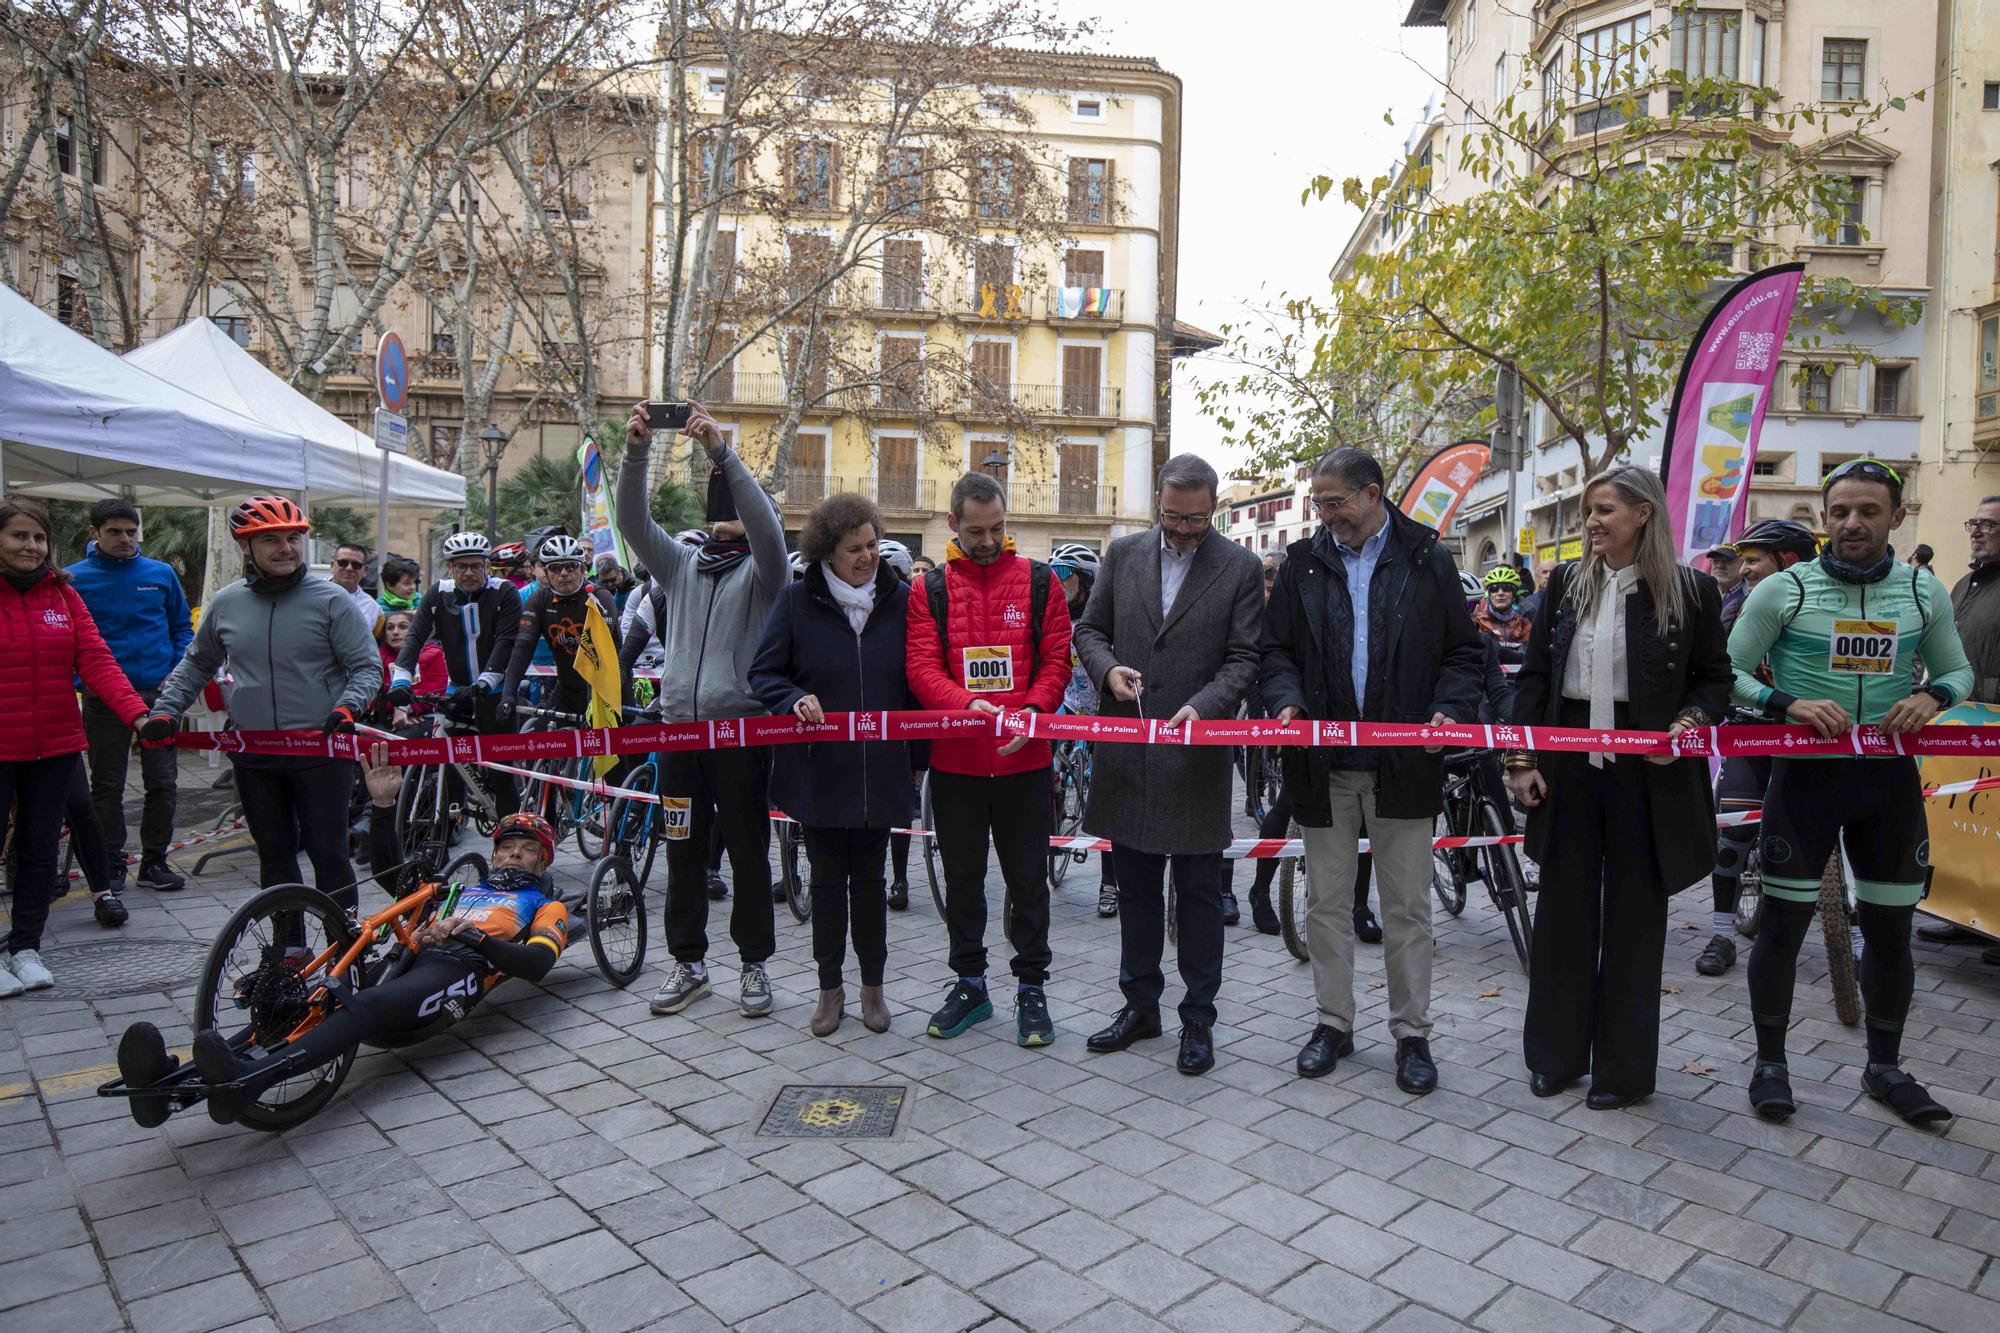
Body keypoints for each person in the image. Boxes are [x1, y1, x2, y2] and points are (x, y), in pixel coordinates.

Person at [114, 743, 570, 1128]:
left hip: (460, 969)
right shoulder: (461, 889)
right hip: (408, 958)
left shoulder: (543, 905)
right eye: (507, 847)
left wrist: (476, 938)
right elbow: (396, 883)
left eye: (527, 851)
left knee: (363, 1006)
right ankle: (165, 1084)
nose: (514, 856)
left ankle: (251, 1079)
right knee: (317, 999)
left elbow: (537, 964)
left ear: (543, 863)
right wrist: (383, 804)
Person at [1726, 458, 1971, 1125]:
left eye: (1867, 511)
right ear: (1823, 518)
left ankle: (1885, 1067)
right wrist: (1789, 702)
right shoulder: (1786, 591)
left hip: (1885, 781)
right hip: (1805, 777)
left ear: (1897, 516)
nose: (1852, 523)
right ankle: (1770, 1062)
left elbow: (1958, 669)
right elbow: (1726, 670)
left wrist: (1930, 695)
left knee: (1893, 932)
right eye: (1839, 512)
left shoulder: (1924, 592)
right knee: (1781, 926)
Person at [1506, 466, 1732, 1110]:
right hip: (1569, 763)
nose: (1592, 522)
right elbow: (1535, 677)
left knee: (1636, 924)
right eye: (1588, 511)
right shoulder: (1565, 586)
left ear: (1644, 515)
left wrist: (1686, 727)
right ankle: (1554, 1059)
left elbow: (1714, 678)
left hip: (1649, 771)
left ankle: (1624, 1074)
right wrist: (1521, 761)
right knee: (1562, 917)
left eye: (1604, 509)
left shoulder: (1689, 591)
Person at [1260, 448, 1483, 1094]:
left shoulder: (1426, 558)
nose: (1326, 516)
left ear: (1372, 494)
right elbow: (1275, 650)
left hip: (1404, 765)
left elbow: (1463, 654)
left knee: (1408, 907)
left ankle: (1412, 1034)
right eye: (1319, 504)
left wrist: (1447, 709)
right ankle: (1332, 1022)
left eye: (1336, 503)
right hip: (1322, 765)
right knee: (1325, 904)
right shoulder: (1302, 564)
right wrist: (1286, 699)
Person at [1075, 455, 1263, 1076]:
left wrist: (1202, 707)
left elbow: (1243, 659)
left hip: (1194, 760)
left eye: (1198, 520)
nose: (1185, 530)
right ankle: (1140, 1006)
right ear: (1158, 503)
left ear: (1214, 510)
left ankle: (1199, 1020)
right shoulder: (1123, 555)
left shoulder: (1237, 567)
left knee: (1200, 898)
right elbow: (1089, 631)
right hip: (1128, 754)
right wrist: (1109, 670)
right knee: (1134, 893)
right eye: (1174, 518)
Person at [618, 401, 789, 1019]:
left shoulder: (770, 574)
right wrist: (636, 451)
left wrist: (722, 453)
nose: (728, 515)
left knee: (746, 851)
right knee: (682, 848)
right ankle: (688, 963)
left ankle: (754, 965)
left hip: (740, 734)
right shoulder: (681, 565)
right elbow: (632, 524)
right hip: (679, 736)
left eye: (737, 505)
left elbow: (767, 531)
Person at [143, 498, 382, 913]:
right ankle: (287, 949)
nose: (285, 547)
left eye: (293, 538)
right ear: (245, 547)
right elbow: (198, 662)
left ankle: (344, 950)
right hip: (255, 752)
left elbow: (366, 668)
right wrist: (166, 710)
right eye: (270, 539)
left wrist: (347, 708)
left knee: (329, 856)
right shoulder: (227, 601)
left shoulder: (332, 600)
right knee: (274, 856)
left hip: (320, 749)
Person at [905, 472, 1071, 1047]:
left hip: (1026, 765)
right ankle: (970, 983)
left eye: (997, 528)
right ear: (953, 524)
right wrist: (970, 705)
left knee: (1029, 881)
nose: (987, 540)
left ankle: (1031, 989)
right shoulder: (928, 591)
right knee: (963, 880)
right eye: (976, 531)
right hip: (958, 766)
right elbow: (922, 669)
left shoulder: (1040, 583)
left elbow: (1056, 661)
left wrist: (1030, 710)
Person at [750, 494, 912, 1037]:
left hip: (880, 770)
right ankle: (828, 990)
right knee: (825, 884)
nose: (868, 557)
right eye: (854, 550)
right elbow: (764, 674)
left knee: (870, 882)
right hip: (818, 770)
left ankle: (872, 989)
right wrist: (791, 697)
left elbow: (919, 684)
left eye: (871, 545)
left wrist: (917, 760)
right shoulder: (796, 601)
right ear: (827, 551)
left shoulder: (904, 600)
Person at [0, 497, 151, 993]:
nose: (30, 545)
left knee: (39, 852)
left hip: (56, 747)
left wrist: (138, 714)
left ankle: (25, 947)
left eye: (39, 537)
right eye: (19, 535)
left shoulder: (63, 596)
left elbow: (98, 661)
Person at [1699, 518, 1820, 976]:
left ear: (1788, 560)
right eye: (1742, 561)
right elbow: (1717, 670)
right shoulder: (1735, 608)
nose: (1744, 570)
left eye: (1753, 561)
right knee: (1734, 835)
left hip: (1811, 740)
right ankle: (1722, 934)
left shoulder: (1824, 606)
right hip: (1751, 734)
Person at [65, 498, 193, 897]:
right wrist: (79, 682)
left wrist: (178, 668)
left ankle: (155, 859)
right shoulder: (72, 579)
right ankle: (110, 861)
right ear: (94, 533)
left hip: (160, 694)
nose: (124, 539)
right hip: (103, 696)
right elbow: (65, 640)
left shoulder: (160, 573)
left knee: (163, 781)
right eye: (114, 532)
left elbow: (182, 628)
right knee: (107, 784)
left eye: (131, 532)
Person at [387, 531, 523, 813]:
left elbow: (506, 641)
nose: (469, 572)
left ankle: (510, 834)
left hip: (495, 690)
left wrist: (485, 683)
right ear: (451, 567)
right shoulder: (438, 593)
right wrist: (400, 680)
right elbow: (415, 638)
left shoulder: (504, 591)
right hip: (456, 687)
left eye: (476, 565)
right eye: (462, 566)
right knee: (451, 765)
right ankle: (448, 830)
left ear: (487, 565)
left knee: (501, 771)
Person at [1921, 497, 2000, 949]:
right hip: (1962, 722)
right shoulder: (1966, 582)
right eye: (1974, 523)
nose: (1977, 531)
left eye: (1988, 525)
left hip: (1993, 719)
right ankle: (1965, 914)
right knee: (1966, 825)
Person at [1050, 542, 1120, 919]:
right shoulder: (1050, 614)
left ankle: (1109, 882)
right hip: (1065, 707)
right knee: (1045, 774)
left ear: (1087, 580)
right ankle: (1053, 825)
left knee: (1106, 794)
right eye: (1054, 576)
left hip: (1103, 712)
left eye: (1067, 576)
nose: (1059, 585)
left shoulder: (1105, 619)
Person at [498, 534, 621, 725]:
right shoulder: (539, 600)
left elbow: (597, 651)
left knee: (620, 750)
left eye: (571, 566)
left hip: (607, 689)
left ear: (582, 569)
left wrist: (594, 703)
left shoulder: (600, 597)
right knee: (539, 740)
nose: (563, 573)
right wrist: (508, 694)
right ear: (545, 572)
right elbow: (522, 648)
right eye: (555, 567)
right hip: (568, 690)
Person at [376, 610, 445, 719]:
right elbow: (374, 697)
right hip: (384, 717)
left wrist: (407, 709)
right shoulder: (377, 657)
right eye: (390, 628)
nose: (395, 632)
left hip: (425, 716)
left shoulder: (434, 654)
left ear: (416, 631)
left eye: (403, 627)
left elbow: (435, 692)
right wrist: (396, 710)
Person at [1471, 566, 1533, 668]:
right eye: (1494, 589)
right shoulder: (1479, 623)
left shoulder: (1525, 623)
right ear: (1489, 595)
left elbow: (1533, 653)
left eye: (1507, 588)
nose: (1500, 593)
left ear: (1514, 596)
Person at [328, 542, 384, 632]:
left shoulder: (374, 610)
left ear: (365, 570)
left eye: (356, 565)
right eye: (343, 562)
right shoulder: (311, 593)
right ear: (332, 565)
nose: (349, 568)